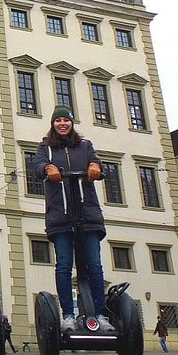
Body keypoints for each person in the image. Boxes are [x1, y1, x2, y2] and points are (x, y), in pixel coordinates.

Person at [33, 105, 114, 332]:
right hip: (61, 217)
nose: (62, 124)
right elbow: (37, 166)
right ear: (53, 124)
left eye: (66, 120)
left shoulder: (85, 146)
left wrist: (96, 167)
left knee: (95, 266)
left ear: (71, 123)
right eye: (58, 120)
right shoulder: (45, 148)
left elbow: (97, 163)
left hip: (88, 215)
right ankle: (68, 315)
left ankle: (100, 314)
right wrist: (48, 168)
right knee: (64, 266)